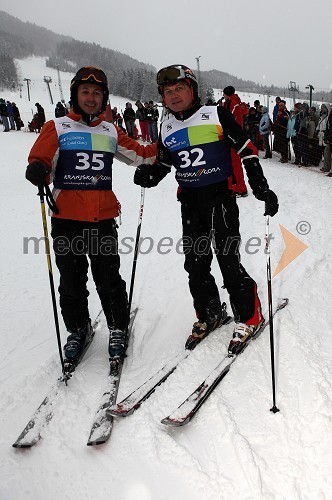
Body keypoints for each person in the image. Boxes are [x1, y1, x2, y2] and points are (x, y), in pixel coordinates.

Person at [133, 64, 278, 354]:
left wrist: (261, 188)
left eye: (180, 89)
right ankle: (209, 313)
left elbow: (246, 150)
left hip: (220, 200)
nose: (174, 96)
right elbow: (165, 162)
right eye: (168, 91)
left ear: (192, 90)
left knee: (228, 261)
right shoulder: (168, 126)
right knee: (195, 265)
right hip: (189, 203)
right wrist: (150, 175)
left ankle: (249, 316)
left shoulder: (215, 114)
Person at [25, 66, 156, 365]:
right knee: (71, 281)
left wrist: (170, 147)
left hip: (102, 219)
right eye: (85, 91)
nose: (91, 97)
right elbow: (40, 159)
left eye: (97, 93)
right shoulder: (56, 127)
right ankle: (78, 329)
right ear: (75, 95)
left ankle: (117, 327)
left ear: (104, 98)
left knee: (108, 278)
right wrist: (37, 169)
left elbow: (140, 153)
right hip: (66, 219)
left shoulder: (110, 129)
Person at [223, 85, 248, 196]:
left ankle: (241, 188)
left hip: (233, 137)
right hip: (232, 136)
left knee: (235, 163)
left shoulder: (233, 104)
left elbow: (231, 121)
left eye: (224, 94)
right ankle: (234, 185)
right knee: (231, 163)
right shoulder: (231, 103)